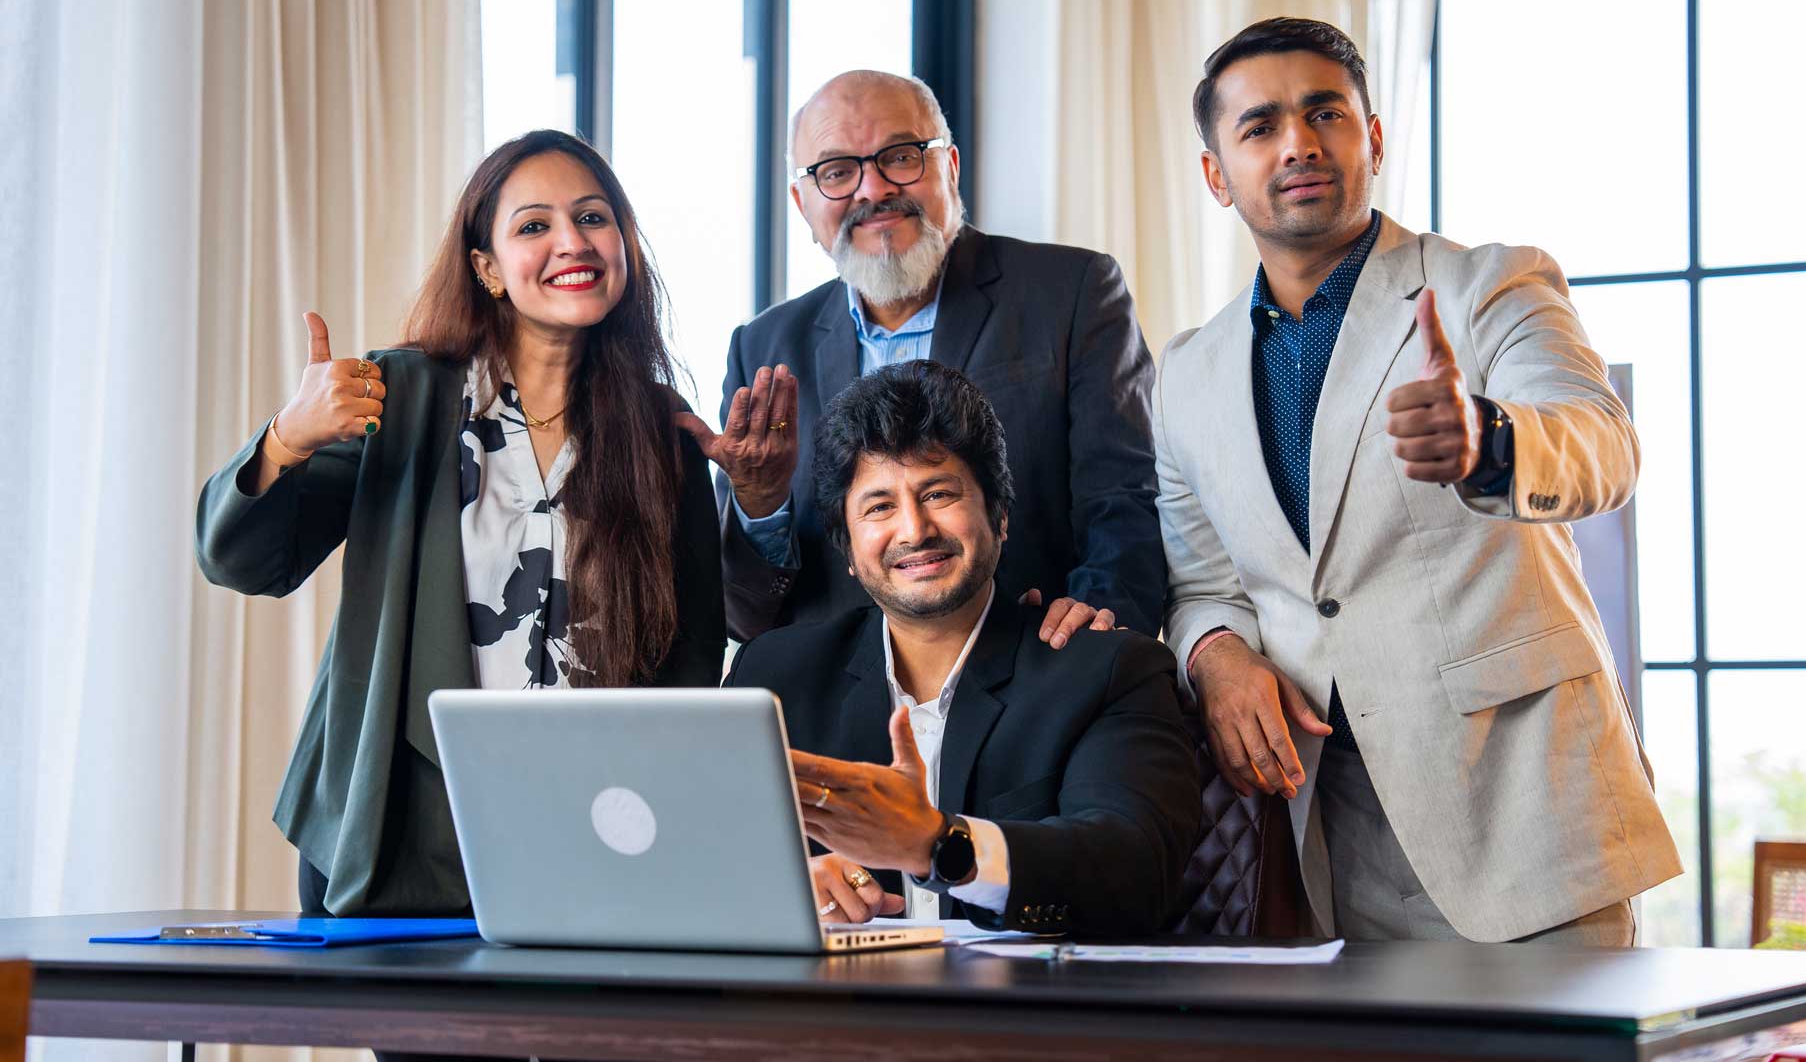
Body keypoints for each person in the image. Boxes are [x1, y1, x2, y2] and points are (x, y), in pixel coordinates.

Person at [1156, 18, 1680, 945]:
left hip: (1528, 814)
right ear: (1215, 174)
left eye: (1327, 113)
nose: (1299, 144)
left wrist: (1488, 443)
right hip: (1334, 833)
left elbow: (1603, 445)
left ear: (1374, 137)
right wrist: (1216, 654)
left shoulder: (1490, 286)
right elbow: (1204, 585)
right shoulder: (1188, 376)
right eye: (1260, 126)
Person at [197, 129, 725, 924]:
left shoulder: (661, 428)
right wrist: (288, 437)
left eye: (593, 217)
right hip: (402, 836)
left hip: (589, 842)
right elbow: (238, 560)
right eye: (534, 226)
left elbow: (690, 660)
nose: (572, 243)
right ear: (487, 269)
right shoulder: (402, 394)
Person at [677, 70, 1165, 646]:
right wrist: (760, 506)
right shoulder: (762, 347)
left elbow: (1125, 498)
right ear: (801, 202)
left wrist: (1094, 639)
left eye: (901, 157)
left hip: (1034, 682)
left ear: (950, 167)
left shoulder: (1072, 290)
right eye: (836, 172)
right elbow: (743, 615)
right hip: (835, 711)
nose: (873, 190)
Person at [724, 360, 1203, 934]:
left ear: (999, 516)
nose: (914, 530)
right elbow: (707, 852)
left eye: (939, 493)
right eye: (879, 506)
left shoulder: (1105, 668)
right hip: (835, 1015)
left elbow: (1136, 869)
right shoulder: (777, 678)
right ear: (848, 550)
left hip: (1029, 1014)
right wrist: (782, 884)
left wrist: (941, 845)